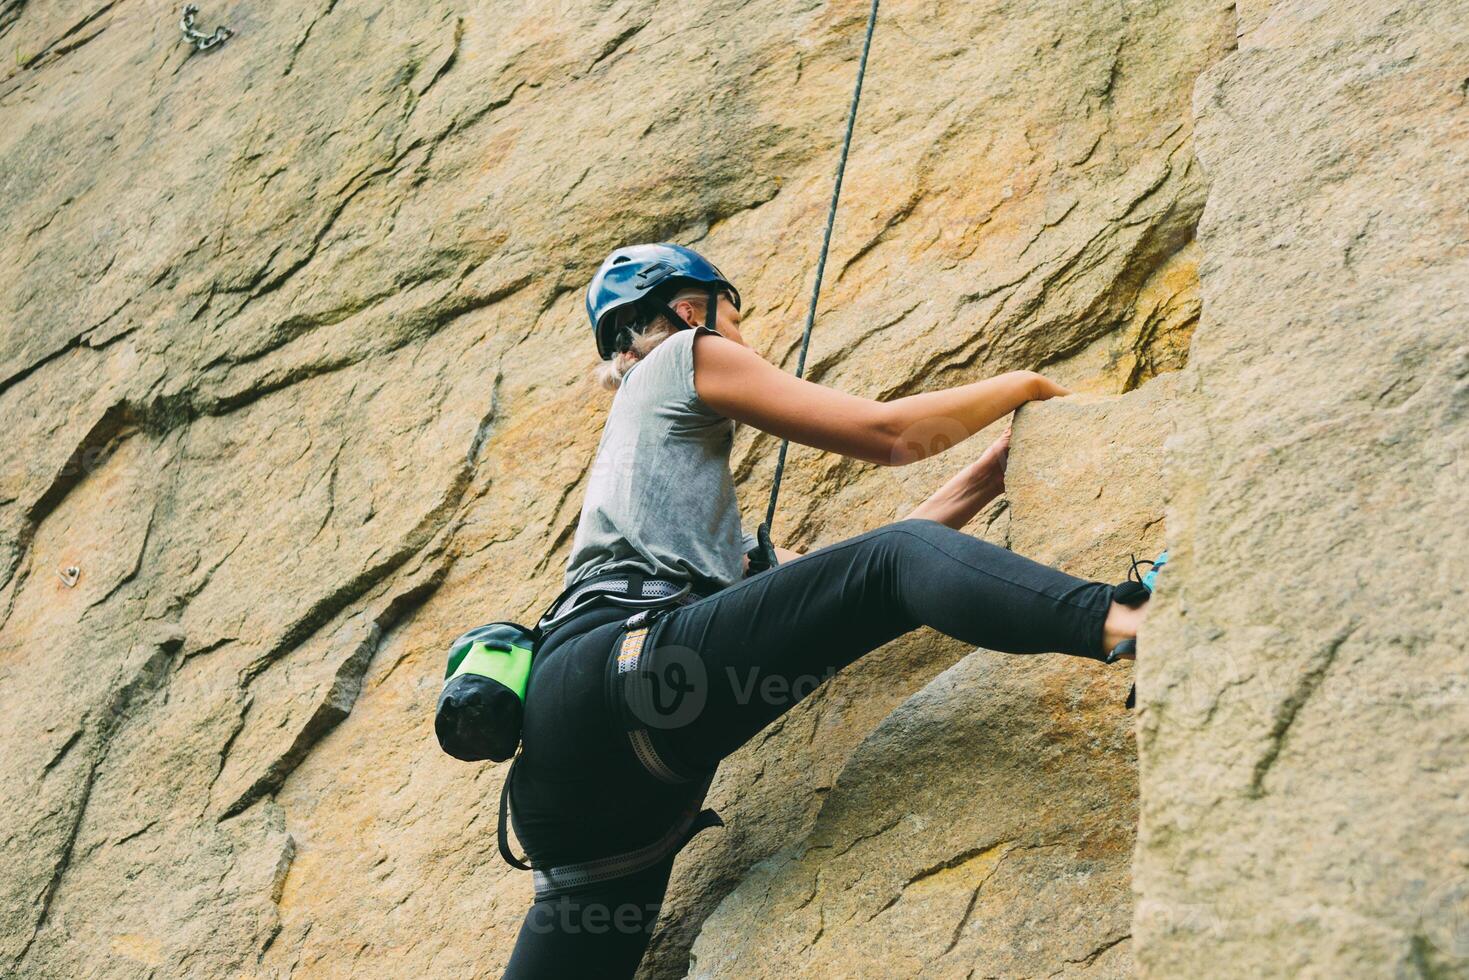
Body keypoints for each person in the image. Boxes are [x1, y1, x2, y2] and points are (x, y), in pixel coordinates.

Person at [501, 243, 1153, 978]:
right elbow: (891, 440)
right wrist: (1022, 383)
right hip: (628, 672)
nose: (738, 338)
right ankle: (1140, 623)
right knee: (895, 559)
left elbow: (854, 587)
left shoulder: (660, 497)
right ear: (689, 309)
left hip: (573, 774)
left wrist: (981, 482)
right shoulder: (689, 350)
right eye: (734, 318)